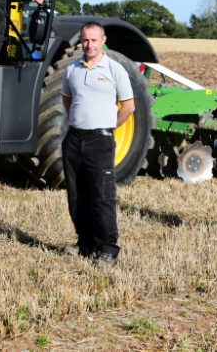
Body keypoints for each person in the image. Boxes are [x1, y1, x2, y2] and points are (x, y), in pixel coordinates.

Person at [60, 22, 135, 266]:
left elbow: (128, 106)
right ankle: (85, 243)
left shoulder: (115, 70)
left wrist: (108, 126)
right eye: (85, 40)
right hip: (74, 138)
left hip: (100, 139)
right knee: (77, 194)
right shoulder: (72, 69)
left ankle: (108, 247)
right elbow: (67, 100)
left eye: (93, 40)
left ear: (103, 40)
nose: (89, 45)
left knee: (102, 195)